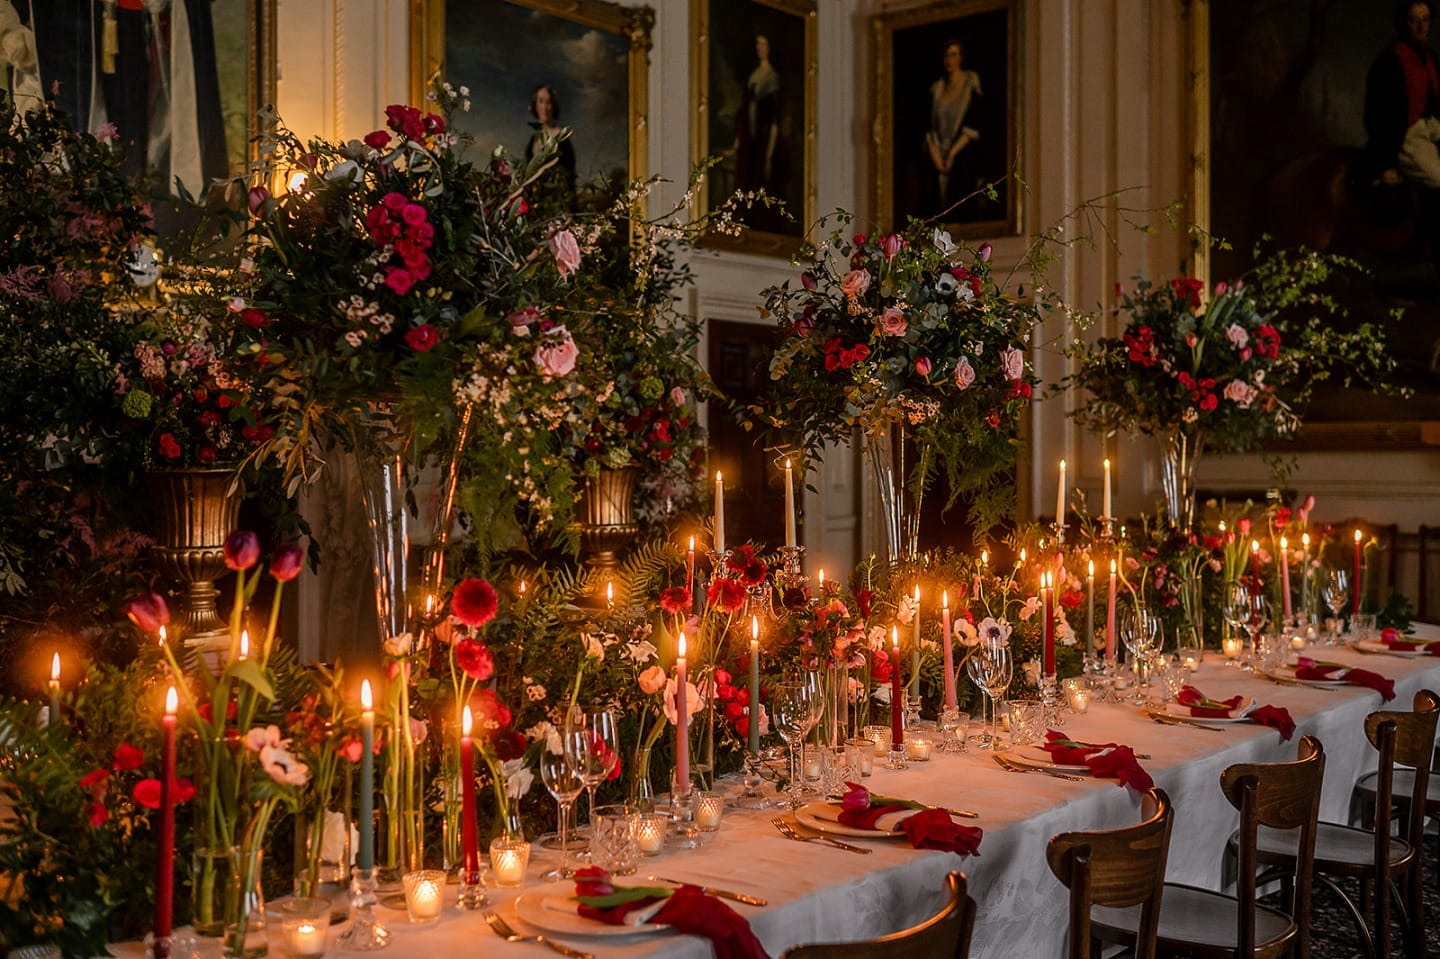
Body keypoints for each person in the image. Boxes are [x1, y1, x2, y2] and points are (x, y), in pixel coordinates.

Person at [1364, 1, 1440, 190]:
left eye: (1425, 20)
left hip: (1433, 127)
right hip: (1405, 135)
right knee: (1438, 179)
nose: (1421, 26)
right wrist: (1385, 163)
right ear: (1403, 24)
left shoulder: (1433, 59)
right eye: (1414, 20)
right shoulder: (1389, 62)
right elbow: (1375, 116)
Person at [925, 37, 982, 215]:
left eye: (954, 55)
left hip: (961, 150)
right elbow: (929, 128)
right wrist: (936, 155)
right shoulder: (937, 88)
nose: (949, 60)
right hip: (938, 153)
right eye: (946, 56)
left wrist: (951, 154)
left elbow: (973, 123)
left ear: (961, 57)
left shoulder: (970, 82)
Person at [734, 33, 782, 196]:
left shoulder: (772, 77)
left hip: (764, 137)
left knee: (759, 185)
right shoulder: (754, 75)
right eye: (758, 44)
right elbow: (745, 110)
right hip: (750, 138)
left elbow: (775, 120)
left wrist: (769, 155)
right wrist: (738, 141)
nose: (760, 48)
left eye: (764, 44)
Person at [524, 83, 576, 207]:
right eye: (541, 101)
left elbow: (569, 176)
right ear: (535, 105)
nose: (544, 107)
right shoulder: (534, 138)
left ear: (554, 106)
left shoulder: (562, 137)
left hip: (557, 202)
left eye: (548, 102)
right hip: (536, 202)